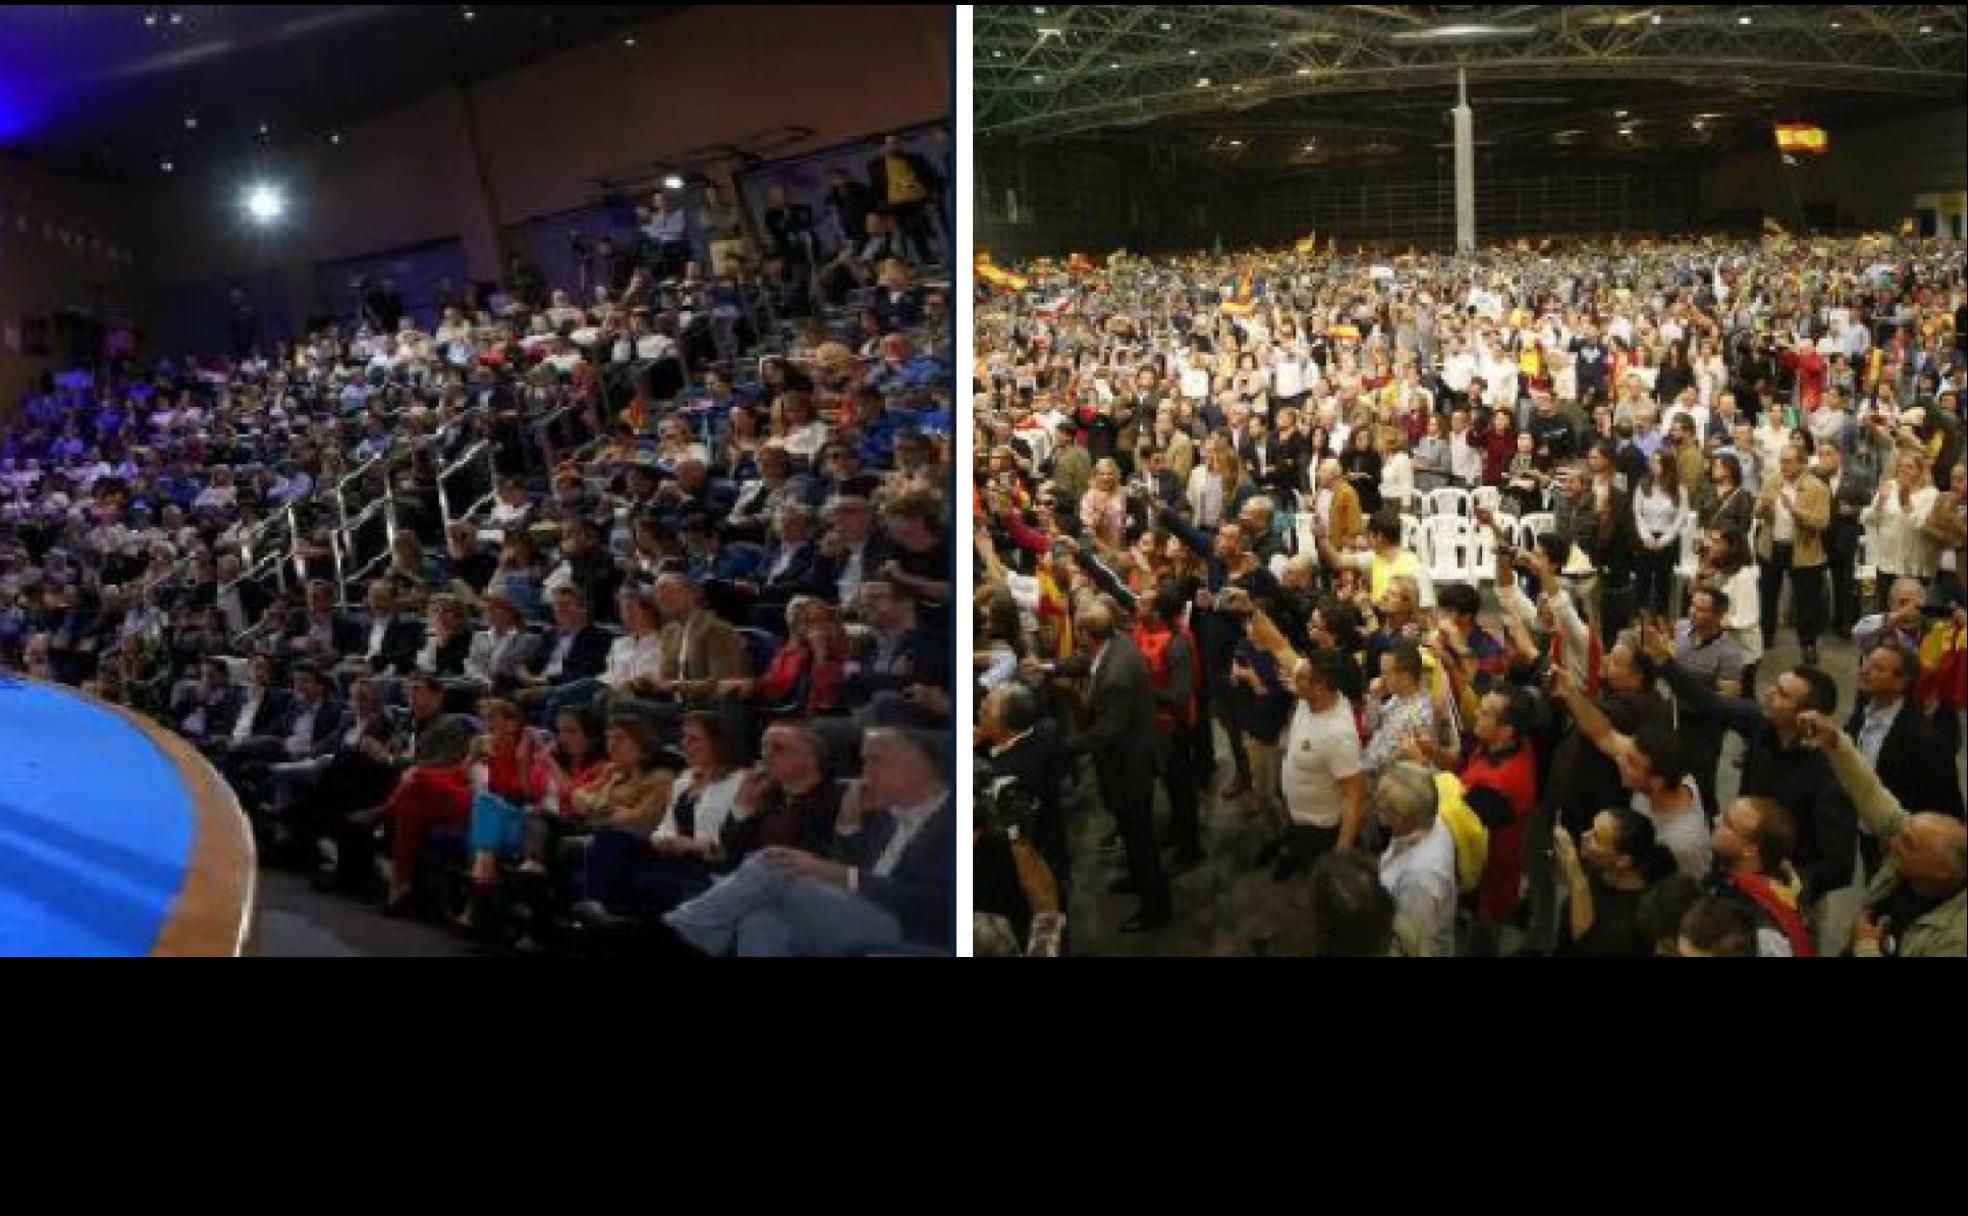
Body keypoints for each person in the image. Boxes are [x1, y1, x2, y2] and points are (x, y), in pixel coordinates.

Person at [665, 728, 955, 956]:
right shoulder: (884, 814)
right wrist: (849, 824)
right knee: (762, 923)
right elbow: (729, 853)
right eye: (863, 760)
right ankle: (685, 931)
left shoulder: (951, 821)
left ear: (920, 765)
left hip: (907, 927)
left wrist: (841, 874)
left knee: (774, 863)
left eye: (875, 760)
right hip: (848, 909)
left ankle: (676, 934)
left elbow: (935, 904)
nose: (864, 772)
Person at [1800, 712, 1966, 958]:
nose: (1892, 841)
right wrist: (1837, 744)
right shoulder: (1913, 857)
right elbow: (1872, 794)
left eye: (1908, 844)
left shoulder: (1956, 938)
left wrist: (1866, 948)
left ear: (1941, 869)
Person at [1553, 810, 1677, 958]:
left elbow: (1587, 946)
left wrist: (1574, 872)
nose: (1585, 836)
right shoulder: (1600, 872)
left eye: (1596, 838)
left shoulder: (1637, 920)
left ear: (1622, 861)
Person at [1754, 445, 1831, 666]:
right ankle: (1766, 636)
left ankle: (1808, 644)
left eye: (1788, 461)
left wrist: (1795, 510)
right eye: (1782, 461)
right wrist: (1763, 507)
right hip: (1772, 546)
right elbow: (1757, 512)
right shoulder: (1773, 481)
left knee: (1807, 601)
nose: (1783, 466)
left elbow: (1822, 521)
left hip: (1803, 551)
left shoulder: (1817, 488)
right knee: (1767, 595)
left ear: (1801, 463)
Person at [1375, 762, 1460, 959]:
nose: (1376, 804)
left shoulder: (1420, 881)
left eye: (1383, 806)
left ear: (1402, 818)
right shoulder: (1431, 821)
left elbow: (1413, 944)